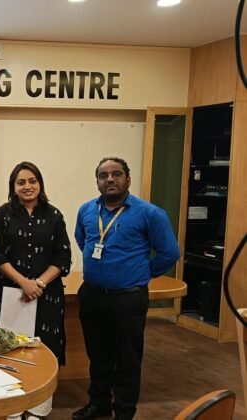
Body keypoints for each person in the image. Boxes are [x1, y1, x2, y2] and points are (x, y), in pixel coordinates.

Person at [73, 157, 180, 420]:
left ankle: (124, 412)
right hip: (92, 295)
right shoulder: (86, 210)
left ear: (128, 179)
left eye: (116, 174)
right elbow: (82, 240)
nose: (110, 179)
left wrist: (142, 272)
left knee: (127, 359)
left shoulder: (150, 213)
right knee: (97, 356)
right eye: (103, 175)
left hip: (128, 299)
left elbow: (169, 252)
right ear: (97, 182)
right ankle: (99, 403)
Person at [0, 161, 72, 420]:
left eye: (32, 181)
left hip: (46, 295)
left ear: (40, 183)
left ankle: (37, 410)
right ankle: (11, 408)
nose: (27, 186)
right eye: (21, 182)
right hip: (7, 292)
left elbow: (63, 256)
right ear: (13, 187)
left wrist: (38, 283)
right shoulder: (2, 215)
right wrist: (24, 282)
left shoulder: (54, 216)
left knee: (43, 350)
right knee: (7, 349)